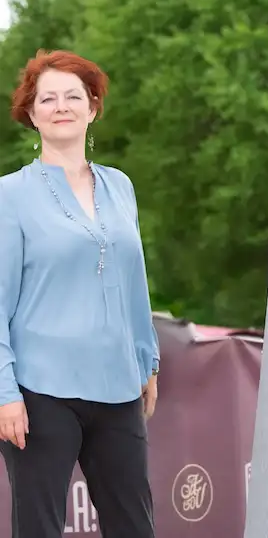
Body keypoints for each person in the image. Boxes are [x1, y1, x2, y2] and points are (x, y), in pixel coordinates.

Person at [0, 48, 159, 538]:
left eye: (73, 96)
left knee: (135, 526)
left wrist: (147, 360)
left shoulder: (120, 186)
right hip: (40, 390)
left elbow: (134, 281)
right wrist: (4, 393)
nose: (61, 106)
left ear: (93, 108)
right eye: (47, 98)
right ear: (31, 114)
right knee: (39, 529)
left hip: (118, 386)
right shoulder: (10, 195)